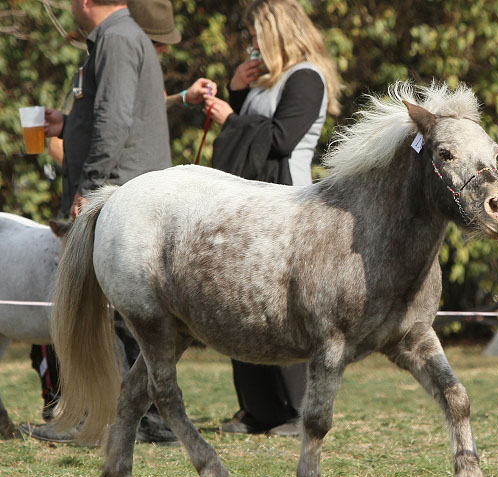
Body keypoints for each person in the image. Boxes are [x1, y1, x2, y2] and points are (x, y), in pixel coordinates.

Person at [25, 0, 179, 444]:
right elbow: (108, 114)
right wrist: (69, 122)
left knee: (107, 312)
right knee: (123, 315)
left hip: (115, 192)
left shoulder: (115, 38)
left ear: (88, 2)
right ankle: (146, 418)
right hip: (122, 190)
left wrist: (88, 187)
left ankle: (112, 417)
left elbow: (115, 119)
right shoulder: (120, 37)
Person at [197, 0, 341, 437]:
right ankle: (259, 409)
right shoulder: (266, 79)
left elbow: (280, 140)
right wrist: (237, 90)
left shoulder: (306, 78)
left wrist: (231, 116)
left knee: (286, 310)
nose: (253, 43)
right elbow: (250, 130)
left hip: (288, 202)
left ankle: (299, 412)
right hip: (251, 200)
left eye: (259, 34)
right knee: (242, 301)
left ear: (279, 33)